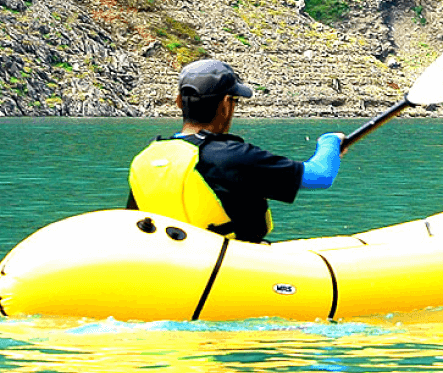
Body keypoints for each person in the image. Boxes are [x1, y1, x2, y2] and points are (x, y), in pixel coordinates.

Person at [126, 59, 343, 243]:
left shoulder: (146, 158)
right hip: (230, 271)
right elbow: (321, 175)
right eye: (236, 101)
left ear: (178, 103)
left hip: (172, 270)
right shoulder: (233, 156)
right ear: (226, 103)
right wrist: (330, 142)